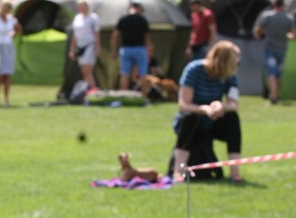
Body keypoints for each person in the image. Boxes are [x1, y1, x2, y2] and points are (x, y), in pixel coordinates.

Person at [170, 41, 244, 182]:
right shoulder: (194, 70)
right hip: (191, 120)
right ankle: (178, 171)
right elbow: (184, 105)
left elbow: (233, 104)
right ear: (223, 61)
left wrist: (221, 106)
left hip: (213, 120)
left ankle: (235, 172)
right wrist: (204, 109)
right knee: (189, 118)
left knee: (232, 118)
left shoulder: (230, 75)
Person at [253, 0, 296, 105]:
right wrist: (286, 37)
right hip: (282, 49)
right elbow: (294, 34)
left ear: (274, 5)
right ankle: (274, 95)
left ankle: (273, 96)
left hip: (269, 49)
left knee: (271, 72)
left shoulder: (267, 16)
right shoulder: (289, 18)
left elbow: (258, 30)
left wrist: (259, 36)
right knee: (278, 74)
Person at [111, 1, 152, 92]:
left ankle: (124, 97)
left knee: (124, 74)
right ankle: (144, 99)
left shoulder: (123, 19)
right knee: (143, 74)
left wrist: (114, 50)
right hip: (140, 49)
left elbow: (115, 35)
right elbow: (146, 37)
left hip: (126, 49)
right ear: (138, 8)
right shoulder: (143, 20)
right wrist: (149, 50)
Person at [69, 0, 101, 88]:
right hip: (79, 47)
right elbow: (75, 35)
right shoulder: (77, 18)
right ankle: (88, 91)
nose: (81, 7)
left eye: (83, 5)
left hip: (89, 46)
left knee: (88, 71)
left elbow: (97, 34)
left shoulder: (93, 18)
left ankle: (93, 92)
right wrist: (72, 49)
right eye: (80, 6)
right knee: (84, 72)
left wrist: (97, 48)